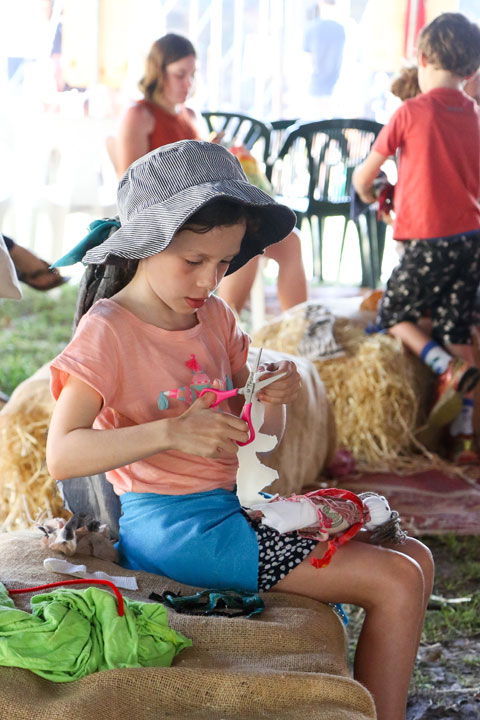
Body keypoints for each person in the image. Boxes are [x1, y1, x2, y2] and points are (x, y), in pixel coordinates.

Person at [46, 140, 433, 720]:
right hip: (173, 529)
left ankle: (379, 697)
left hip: (230, 509)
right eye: (193, 262)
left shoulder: (214, 316)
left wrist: (275, 396)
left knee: (417, 559)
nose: (209, 279)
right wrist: (170, 433)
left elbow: (253, 437)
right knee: (396, 583)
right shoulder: (109, 333)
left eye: (225, 264)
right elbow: (62, 454)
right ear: (146, 245)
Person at [353, 13, 480, 464]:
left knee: (392, 312)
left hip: (425, 242)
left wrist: (368, 189)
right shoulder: (475, 117)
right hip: (470, 241)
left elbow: (366, 176)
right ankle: (465, 436)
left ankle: (447, 367)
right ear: (471, 71)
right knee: (456, 325)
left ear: (422, 59)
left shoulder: (408, 112)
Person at [115, 33, 307, 315]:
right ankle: (224, 324)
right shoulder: (140, 115)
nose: (188, 83)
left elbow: (200, 174)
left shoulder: (190, 115)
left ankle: (300, 329)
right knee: (243, 238)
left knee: (291, 241)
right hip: (166, 219)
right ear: (158, 72)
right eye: (180, 74)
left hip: (205, 212)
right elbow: (130, 184)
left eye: (192, 75)